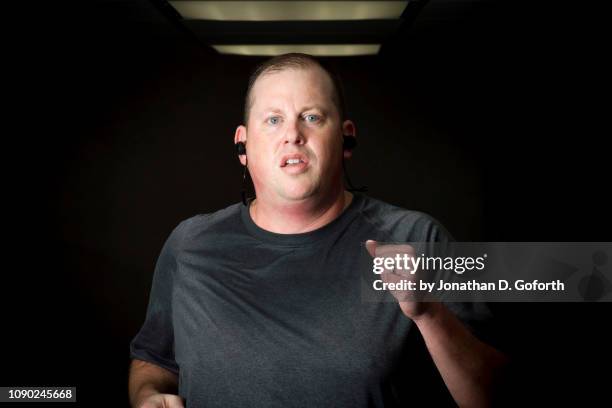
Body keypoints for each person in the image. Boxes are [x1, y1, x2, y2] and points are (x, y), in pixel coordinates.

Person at [128, 53, 508, 408]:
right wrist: (147, 395)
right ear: (243, 145)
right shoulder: (190, 245)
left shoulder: (418, 237)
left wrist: (430, 315)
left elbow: (496, 393)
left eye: (311, 117)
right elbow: (152, 360)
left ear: (346, 139)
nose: (292, 134)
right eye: (273, 119)